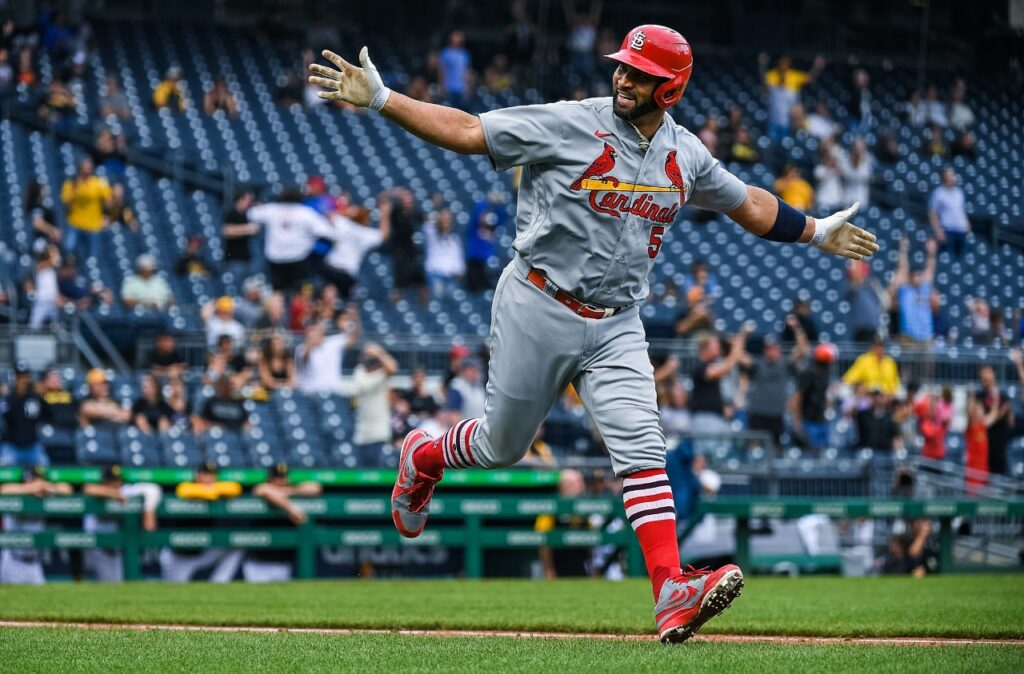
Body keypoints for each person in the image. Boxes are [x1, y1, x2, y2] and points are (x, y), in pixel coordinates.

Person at [310, 24, 877, 643]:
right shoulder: (570, 122)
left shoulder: (685, 154)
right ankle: (424, 454)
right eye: (623, 67)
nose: (624, 78)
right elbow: (472, 131)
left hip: (617, 321)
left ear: (673, 88)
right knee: (504, 447)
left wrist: (816, 231)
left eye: (641, 74)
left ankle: (670, 589)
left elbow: (750, 205)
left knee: (643, 445)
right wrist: (384, 99)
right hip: (538, 299)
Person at [160, 462, 243, 582]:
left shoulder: (217, 487)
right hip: (179, 553)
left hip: (202, 549)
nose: (209, 478)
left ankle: (219, 583)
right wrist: (210, 493)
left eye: (212, 475)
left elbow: (235, 488)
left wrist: (212, 491)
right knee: (175, 590)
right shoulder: (187, 486)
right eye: (205, 474)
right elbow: (184, 491)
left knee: (236, 545)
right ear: (197, 475)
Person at [82, 465, 162, 582]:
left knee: (113, 587)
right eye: (112, 481)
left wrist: (148, 512)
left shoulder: (124, 491)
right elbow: (88, 489)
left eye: (118, 480)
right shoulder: (101, 490)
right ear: (105, 481)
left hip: (110, 553)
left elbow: (152, 488)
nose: (117, 484)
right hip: (90, 548)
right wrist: (113, 493)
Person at [244, 464, 323, 582]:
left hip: (283, 563)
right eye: (277, 477)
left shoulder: (289, 489)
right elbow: (264, 490)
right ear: (270, 478)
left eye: (283, 477)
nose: (280, 480)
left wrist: (289, 491)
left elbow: (316, 487)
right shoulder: (263, 488)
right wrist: (292, 508)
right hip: (259, 563)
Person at [248, 187, 334, 292]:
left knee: (278, 293)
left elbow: (251, 214)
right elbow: (326, 231)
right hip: (298, 259)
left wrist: (257, 205)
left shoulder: (272, 209)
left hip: (276, 260)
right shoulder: (305, 212)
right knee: (301, 293)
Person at [0, 466, 72, 584]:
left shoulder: (44, 495)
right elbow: (4, 489)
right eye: (35, 479)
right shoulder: (16, 493)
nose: (39, 483)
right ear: (27, 480)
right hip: (13, 560)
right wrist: (30, 488)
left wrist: (46, 486)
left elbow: (67, 489)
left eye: (41, 479)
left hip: (35, 562)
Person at [742, 323, 807, 448]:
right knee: (754, 447)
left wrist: (796, 328)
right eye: (768, 348)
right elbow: (739, 357)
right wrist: (743, 334)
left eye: (773, 348)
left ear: (779, 349)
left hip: (776, 414)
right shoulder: (758, 364)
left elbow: (802, 350)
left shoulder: (785, 364)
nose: (770, 351)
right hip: (757, 413)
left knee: (776, 448)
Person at [321, 203, 389, 301]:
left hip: (330, 268)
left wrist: (348, 212)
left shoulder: (344, 224)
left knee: (327, 297)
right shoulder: (366, 234)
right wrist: (385, 214)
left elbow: (330, 215)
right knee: (347, 304)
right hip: (347, 274)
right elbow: (384, 235)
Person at [351, 343, 400, 467]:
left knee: (377, 474)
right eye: (366, 356)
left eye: (370, 357)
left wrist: (378, 353)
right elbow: (363, 385)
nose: (368, 359)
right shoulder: (359, 372)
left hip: (379, 433)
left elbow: (393, 368)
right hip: (362, 433)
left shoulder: (382, 373)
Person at [759, 53, 825, 141]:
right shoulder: (772, 75)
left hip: (789, 122)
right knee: (771, 143)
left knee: (787, 143)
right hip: (773, 119)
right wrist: (762, 65)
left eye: (785, 67)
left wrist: (817, 67)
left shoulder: (793, 76)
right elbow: (764, 84)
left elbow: (810, 77)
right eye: (781, 67)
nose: (783, 70)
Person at [295, 307, 360, 395]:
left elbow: (352, 338)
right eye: (312, 330)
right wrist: (310, 342)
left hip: (333, 393)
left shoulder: (332, 343)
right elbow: (304, 357)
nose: (316, 333)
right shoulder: (301, 348)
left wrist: (354, 319)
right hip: (311, 395)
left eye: (318, 330)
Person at [60, 157, 112, 263]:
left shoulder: (98, 182)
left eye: (90, 166)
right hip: (75, 222)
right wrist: (74, 191)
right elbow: (66, 203)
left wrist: (106, 216)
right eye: (86, 166)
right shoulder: (71, 183)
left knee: (94, 257)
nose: (89, 168)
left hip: (93, 224)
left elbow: (108, 201)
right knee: (68, 250)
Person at [888, 238, 936, 347]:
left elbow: (930, 269)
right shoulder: (905, 290)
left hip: (926, 336)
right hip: (908, 336)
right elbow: (903, 267)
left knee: (926, 364)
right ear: (910, 276)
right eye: (915, 275)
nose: (918, 278)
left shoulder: (925, 289)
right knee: (908, 364)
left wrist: (932, 253)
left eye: (919, 275)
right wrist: (903, 250)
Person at [1, 363, 49, 467]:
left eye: (24, 376)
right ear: (14, 378)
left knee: (46, 470)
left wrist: (42, 396)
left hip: (32, 446)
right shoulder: (8, 397)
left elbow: (46, 416)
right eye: (19, 377)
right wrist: (18, 395)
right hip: (12, 446)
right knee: (4, 473)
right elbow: (8, 417)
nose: (22, 380)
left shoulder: (35, 396)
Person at [790, 343, 835, 451]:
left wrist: (828, 408)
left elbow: (826, 395)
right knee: (811, 451)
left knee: (823, 450)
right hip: (808, 420)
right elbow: (798, 397)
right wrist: (797, 421)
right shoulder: (808, 374)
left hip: (821, 419)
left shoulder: (825, 374)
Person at [977, 359, 1016, 476]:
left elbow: (1010, 422)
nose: (985, 376)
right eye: (983, 373)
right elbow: (983, 423)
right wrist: (998, 410)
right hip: (983, 447)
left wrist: (1006, 412)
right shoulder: (978, 397)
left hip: (1000, 447)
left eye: (988, 372)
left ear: (994, 375)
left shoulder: (1003, 397)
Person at [466, 190, 507, 293]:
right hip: (475, 264)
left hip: (488, 266)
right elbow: (477, 212)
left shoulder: (493, 230)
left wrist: (498, 205)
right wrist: (488, 201)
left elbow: (502, 216)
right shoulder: (475, 230)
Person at [928, 168, 970, 258]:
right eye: (949, 176)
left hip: (961, 230)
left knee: (961, 258)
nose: (952, 178)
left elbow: (961, 210)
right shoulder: (938, 193)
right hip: (947, 230)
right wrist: (938, 230)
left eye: (953, 175)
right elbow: (933, 213)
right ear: (944, 177)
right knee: (947, 258)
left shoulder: (959, 192)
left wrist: (967, 224)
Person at [423, 208, 465, 298]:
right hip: (435, 275)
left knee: (452, 300)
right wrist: (438, 218)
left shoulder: (454, 238)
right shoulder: (432, 234)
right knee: (437, 298)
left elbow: (458, 257)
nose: (446, 221)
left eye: (448, 219)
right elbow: (426, 223)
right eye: (444, 218)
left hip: (451, 277)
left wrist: (460, 270)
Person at [222, 190, 260, 282]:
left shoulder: (248, 215)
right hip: (235, 259)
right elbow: (226, 231)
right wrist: (248, 229)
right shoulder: (231, 213)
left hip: (249, 258)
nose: (249, 203)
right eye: (247, 200)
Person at [845, 260, 885, 343]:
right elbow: (853, 285)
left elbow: (886, 302)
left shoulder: (871, 287)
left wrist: (876, 287)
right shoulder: (853, 289)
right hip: (860, 329)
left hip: (873, 328)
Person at [29, 244, 60, 329]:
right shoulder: (39, 267)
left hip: (53, 301)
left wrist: (57, 297)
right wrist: (50, 259)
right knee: (35, 324)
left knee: (57, 325)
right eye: (53, 255)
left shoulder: (53, 271)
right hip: (41, 301)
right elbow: (39, 267)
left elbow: (56, 287)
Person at [438, 30, 471, 108]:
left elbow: (465, 72)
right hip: (449, 89)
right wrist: (442, 88)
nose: (458, 38)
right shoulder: (445, 52)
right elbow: (442, 71)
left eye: (460, 36)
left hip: (461, 89)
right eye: (456, 36)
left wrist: (467, 88)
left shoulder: (465, 54)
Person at [841, 138, 872, 207]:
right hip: (847, 196)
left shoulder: (869, 159)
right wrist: (853, 162)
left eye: (861, 147)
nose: (859, 150)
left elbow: (865, 177)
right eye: (857, 147)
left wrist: (861, 162)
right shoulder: (846, 160)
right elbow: (846, 175)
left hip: (861, 196)